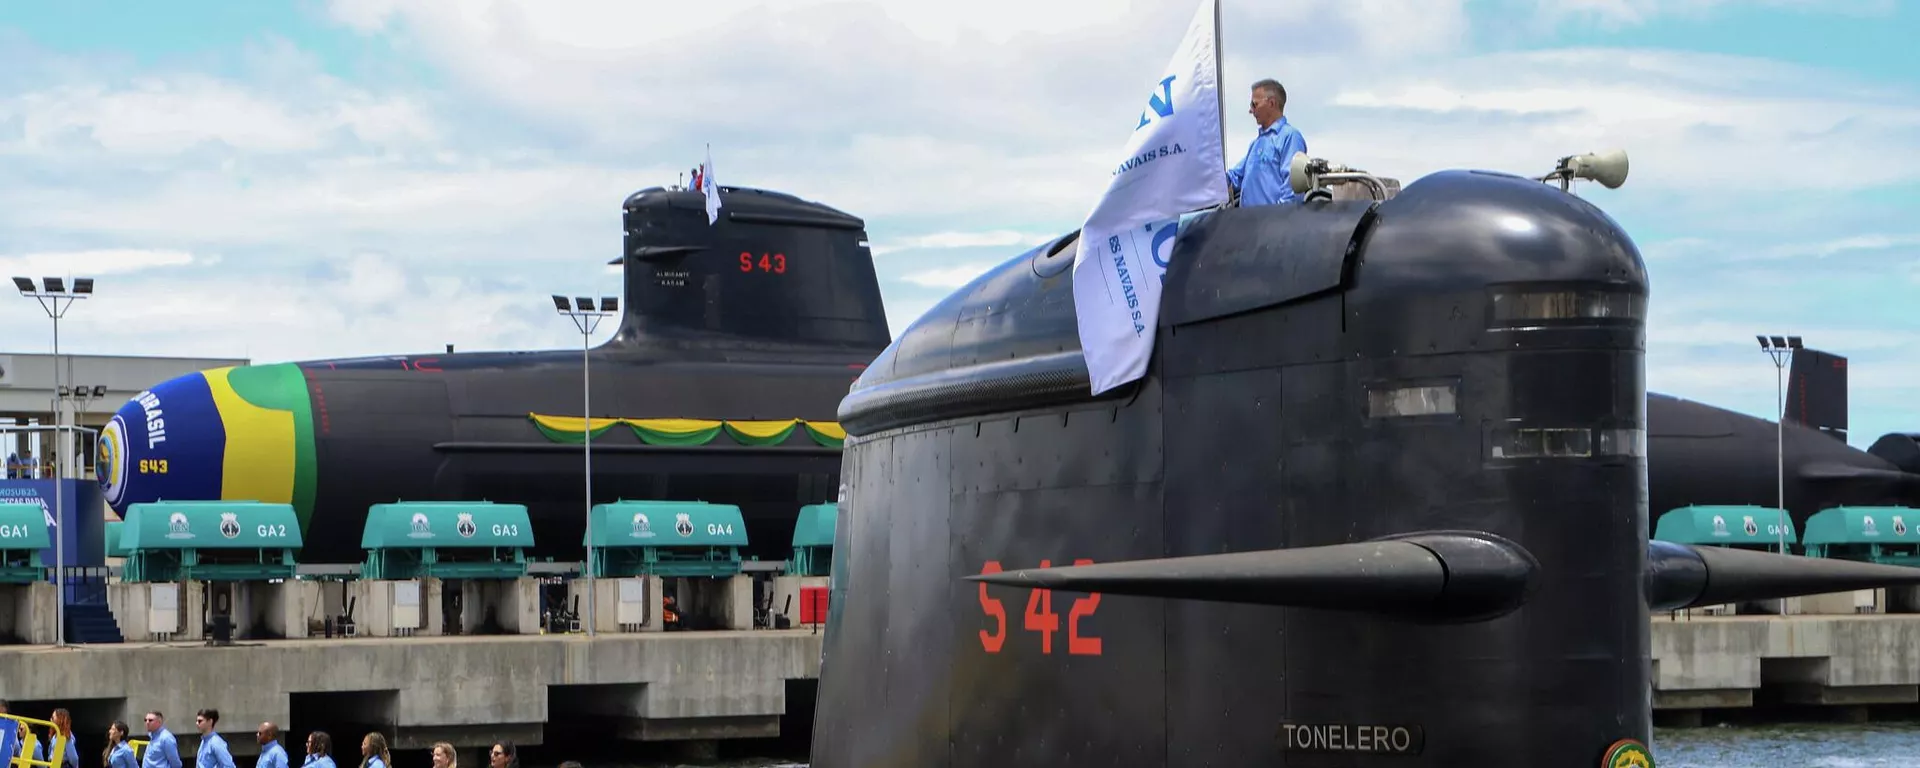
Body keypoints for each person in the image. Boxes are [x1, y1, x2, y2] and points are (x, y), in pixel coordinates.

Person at [1226, 78, 1309, 207]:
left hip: (1273, 223)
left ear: (1271, 103)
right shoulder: (1256, 144)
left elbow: (1292, 188)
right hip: (1250, 223)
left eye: (1254, 104)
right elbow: (1235, 178)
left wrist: (1276, 220)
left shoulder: (1290, 137)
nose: (1251, 110)